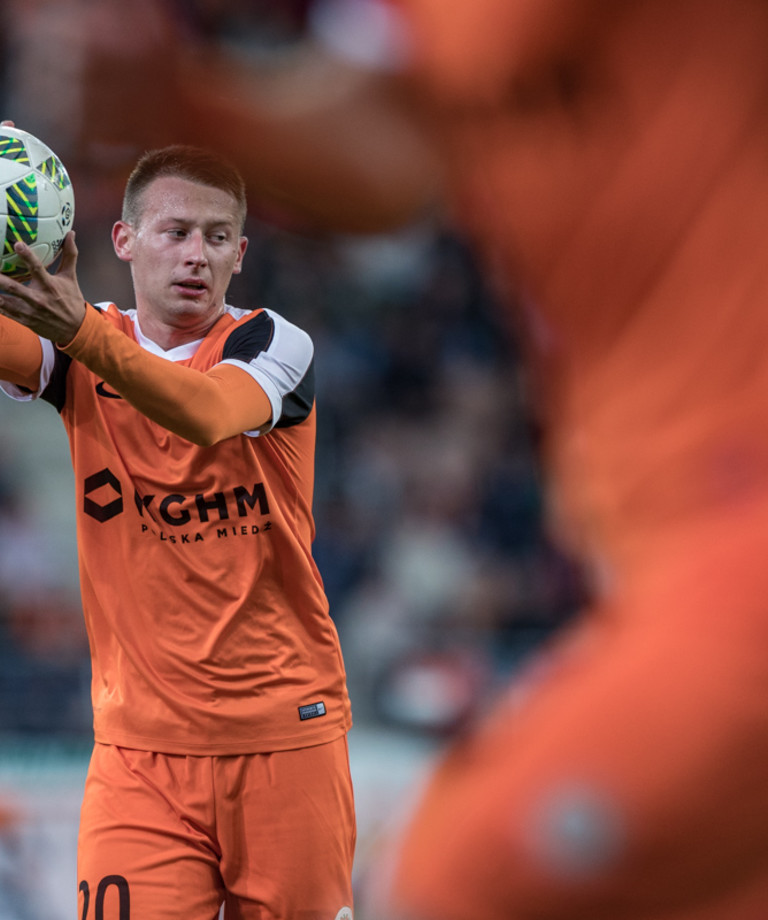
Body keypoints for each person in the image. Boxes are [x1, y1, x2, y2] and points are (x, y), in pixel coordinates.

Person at [90, 1, 768, 918]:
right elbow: (402, 147)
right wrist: (189, 105)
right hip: (663, 555)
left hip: (737, 536)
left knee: (457, 882)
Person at [0, 135, 355, 920]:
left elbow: (206, 416)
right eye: (175, 231)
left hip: (285, 741)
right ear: (123, 240)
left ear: (240, 256)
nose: (196, 254)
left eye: (217, 236)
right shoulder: (79, 347)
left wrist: (80, 335)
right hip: (140, 761)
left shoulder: (271, 347)